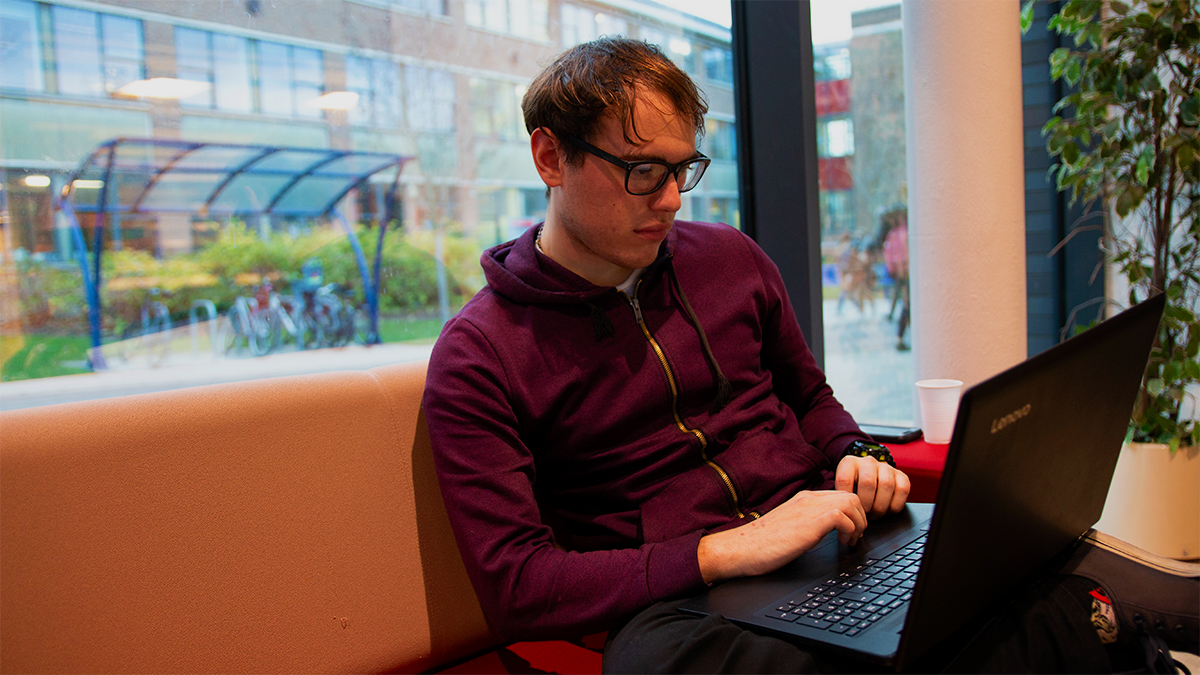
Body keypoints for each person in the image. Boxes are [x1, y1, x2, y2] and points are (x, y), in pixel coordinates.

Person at [422, 37, 1197, 673]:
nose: (670, 200)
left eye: (683, 169)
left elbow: (812, 398)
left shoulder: (729, 261)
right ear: (550, 157)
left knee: (999, 572)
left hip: (830, 540)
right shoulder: (482, 354)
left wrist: (855, 450)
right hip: (678, 599)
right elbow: (518, 584)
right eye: (641, 172)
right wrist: (726, 549)